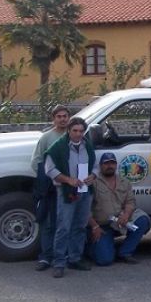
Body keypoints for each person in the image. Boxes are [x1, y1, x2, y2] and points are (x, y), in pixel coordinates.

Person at [44, 116, 97, 278]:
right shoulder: (58, 147)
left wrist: (93, 176)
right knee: (64, 227)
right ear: (69, 130)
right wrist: (68, 180)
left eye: (81, 131)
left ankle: (75, 258)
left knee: (80, 226)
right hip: (66, 191)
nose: (78, 134)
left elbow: (95, 165)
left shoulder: (87, 145)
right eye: (75, 130)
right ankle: (59, 262)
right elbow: (49, 170)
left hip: (84, 190)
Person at [86, 153, 150, 265]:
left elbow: (130, 202)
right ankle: (89, 247)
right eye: (106, 163)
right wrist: (94, 226)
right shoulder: (93, 183)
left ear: (116, 165)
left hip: (120, 221)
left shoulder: (124, 182)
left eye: (112, 163)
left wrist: (126, 214)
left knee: (142, 220)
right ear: (100, 166)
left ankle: (125, 252)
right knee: (104, 260)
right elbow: (84, 208)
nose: (109, 166)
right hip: (102, 225)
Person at [31, 104, 69, 272]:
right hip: (50, 189)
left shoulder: (74, 135)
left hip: (69, 188)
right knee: (48, 224)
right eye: (59, 116)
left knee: (64, 223)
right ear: (53, 119)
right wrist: (48, 179)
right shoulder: (46, 138)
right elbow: (36, 161)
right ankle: (46, 257)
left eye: (65, 116)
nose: (62, 119)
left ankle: (63, 257)